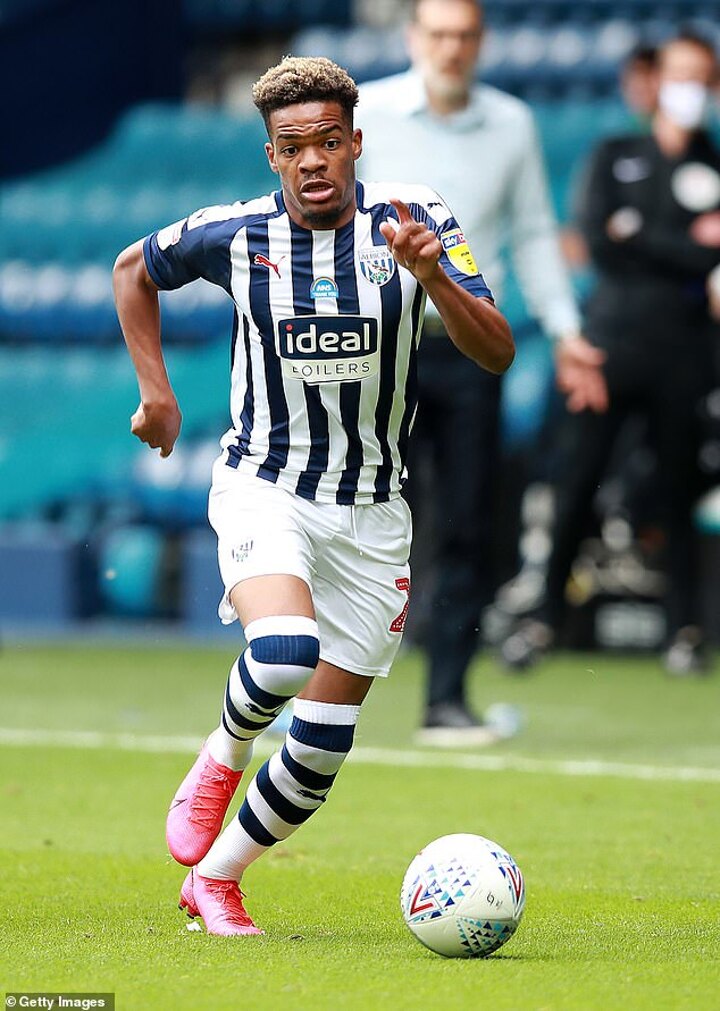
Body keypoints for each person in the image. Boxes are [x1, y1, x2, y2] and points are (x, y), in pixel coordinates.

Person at [113, 56, 514, 936]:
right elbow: (132, 269)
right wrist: (157, 393)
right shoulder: (235, 233)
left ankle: (216, 880)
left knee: (324, 737)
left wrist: (434, 278)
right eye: (293, 147)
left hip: (373, 512)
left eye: (328, 142)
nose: (312, 161)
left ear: (355, 142)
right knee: (285, 651)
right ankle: (222, 754)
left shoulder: (418, 218)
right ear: (272, 156)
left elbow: (496, 350)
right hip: (267, 485)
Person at [355, 0, 605, 744]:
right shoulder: (368, 114)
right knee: (356, 518)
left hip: (468, 348)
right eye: (439, 33)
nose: (452, 47)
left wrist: (566, 331)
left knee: (467, 523)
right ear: (414, 38)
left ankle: (446, 701)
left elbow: (533, 233)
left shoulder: (511, 123)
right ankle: (320, 698)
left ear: (481, 42)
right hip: (379, 347)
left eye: (464, 35)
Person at [501, 31, 720, 675]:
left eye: (700, 77)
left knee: (678, 489)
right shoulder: (617, 153)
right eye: (679, 74)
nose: (688, 89)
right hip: (609, 346)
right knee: (577, 481)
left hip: (686, 351)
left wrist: (640, 235)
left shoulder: (715, 163)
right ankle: (543, 617)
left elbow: (641, 243)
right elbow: (598, 240)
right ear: (656, 80)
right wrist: (688, 246)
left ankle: (685, 630)